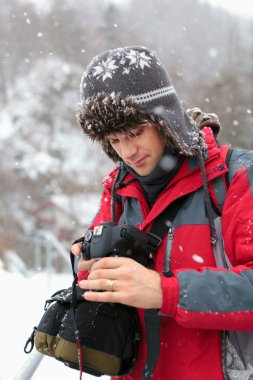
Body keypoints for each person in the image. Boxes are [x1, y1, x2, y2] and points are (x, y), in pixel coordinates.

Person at [71, 46, 253, 380]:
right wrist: (90, 267)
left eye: (135, 132)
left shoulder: (236, 177)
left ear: (163, 118)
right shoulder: (117, 191)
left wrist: (165, 292)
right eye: (114, 139)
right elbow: (100, 287)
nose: (127, 151)